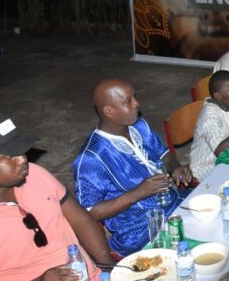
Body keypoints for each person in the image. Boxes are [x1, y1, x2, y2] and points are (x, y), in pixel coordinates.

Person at [0, 114, 114, 281]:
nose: (22, 159)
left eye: (21, 151)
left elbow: (81, 220)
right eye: (9, 156)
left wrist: (111, 270)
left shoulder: (34, 174)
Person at [73, 78, 193, 257]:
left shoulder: (139, 126)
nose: (137, 103)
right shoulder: (92, 157)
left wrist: (176, 167)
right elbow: (89, 212)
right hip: (139, 230)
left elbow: (163, 155)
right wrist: (138, 193)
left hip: (172, 203)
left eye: (134, 97)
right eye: (128, 101)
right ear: (108, 111)